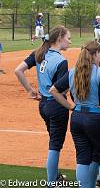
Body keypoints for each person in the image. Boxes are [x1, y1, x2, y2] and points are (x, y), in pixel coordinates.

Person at [50, 41, 100, 188]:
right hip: (96, 118)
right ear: (96, 54)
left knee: (82, 158)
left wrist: (70, 106)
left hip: (77, 118)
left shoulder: (73, 71)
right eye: (99, 54)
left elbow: (53, 90)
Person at [14, 26, 72, 184]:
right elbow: (59, 90)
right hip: (57, 106)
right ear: (59, 38)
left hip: (44, 106)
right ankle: (52, 182)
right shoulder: (61, 60)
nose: (70, 41)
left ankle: (55, 177)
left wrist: (30, 90)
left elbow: (18, 70)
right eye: (68, 37)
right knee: (55, 146)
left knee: (53, 141)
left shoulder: (40, 53)